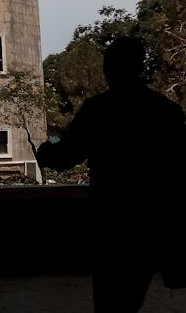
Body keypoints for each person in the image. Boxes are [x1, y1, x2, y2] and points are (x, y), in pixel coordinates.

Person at [37, 36, 186, 313]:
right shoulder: (167, 112)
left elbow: (67, 154)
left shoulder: (98, 110)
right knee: (132, 296)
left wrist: (47, 150)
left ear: (110, 68)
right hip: (148, 219)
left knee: (108, 299)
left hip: (110, 217)